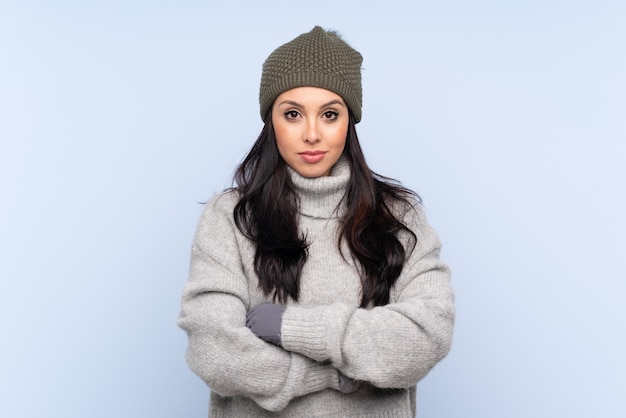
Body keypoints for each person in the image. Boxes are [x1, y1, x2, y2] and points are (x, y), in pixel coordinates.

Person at [177, 26, 455, 417]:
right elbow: (215, 353)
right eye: (292, 114)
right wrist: (331, 374)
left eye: (329, 114)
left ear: (350, 121)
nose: (311, 134)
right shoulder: (230, 219)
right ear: (271, 121)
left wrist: (291, 328)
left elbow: (425, 338)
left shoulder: (399, 217)